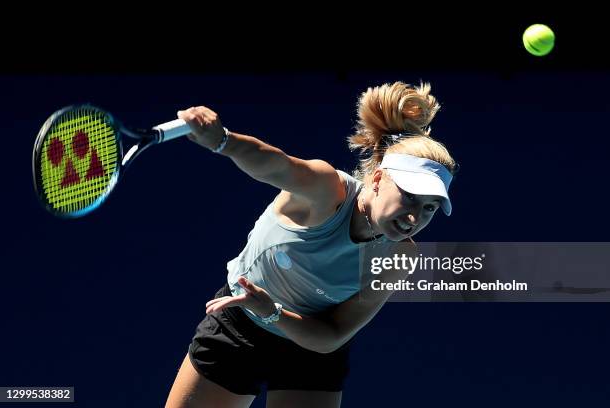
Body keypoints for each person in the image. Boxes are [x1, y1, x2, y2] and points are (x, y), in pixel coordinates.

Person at [165, 81, 458, 408]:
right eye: (409, 196)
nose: (415, 216)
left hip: (309, 348)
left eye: (429, 207)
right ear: (377, 180)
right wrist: (222, 141)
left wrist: (272, 312)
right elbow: (274, 163)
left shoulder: (399, 257)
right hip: (238, 323)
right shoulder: (326, 190)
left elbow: (331, 336)